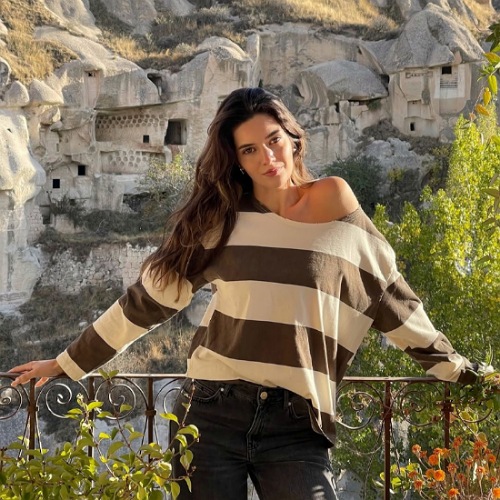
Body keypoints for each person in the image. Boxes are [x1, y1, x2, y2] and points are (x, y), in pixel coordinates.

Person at [10, 87, 481, 499]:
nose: (267, 158)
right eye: (250, 150)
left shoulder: (336, 201)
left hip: (297, 422)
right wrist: (67, 363)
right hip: (210, 413)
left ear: (293, 139)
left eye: (274, 141)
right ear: (236, 160)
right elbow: (147, 302)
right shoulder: (221, 218)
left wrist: (461, 371)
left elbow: (390, 297)